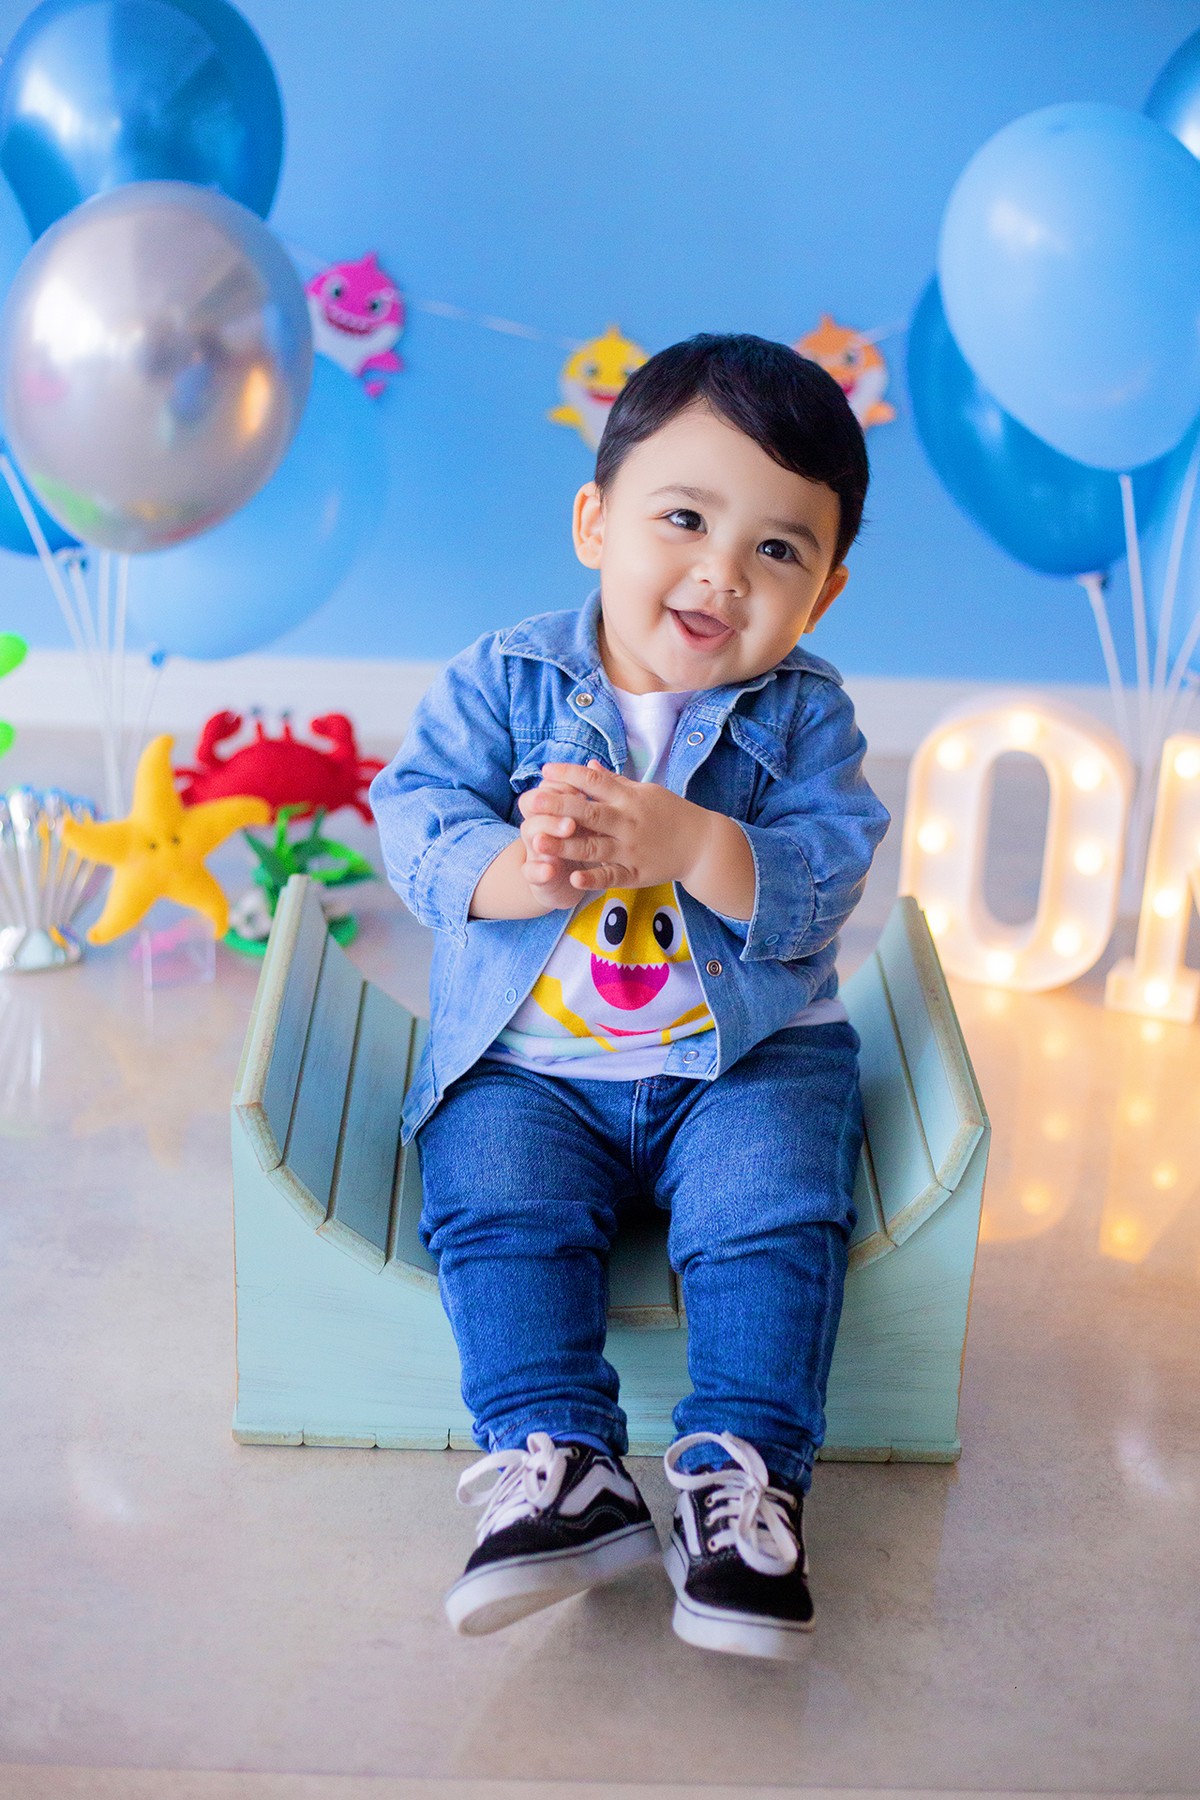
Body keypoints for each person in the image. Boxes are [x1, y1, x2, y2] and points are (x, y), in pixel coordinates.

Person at [369, 333, 890, 1661]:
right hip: (532, 1062)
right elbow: (415, 807)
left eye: (779, 551)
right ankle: (560, 1465)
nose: (723, 571)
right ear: (597, 522)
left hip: (746, 1061)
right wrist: (504, 869)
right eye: (685, 518)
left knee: (768, 1214)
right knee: (491, 1200)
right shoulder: (509, 678)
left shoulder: (805, 717)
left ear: (821, 596)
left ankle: (741, 1476)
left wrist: (695, 847)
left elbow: (828, 871)